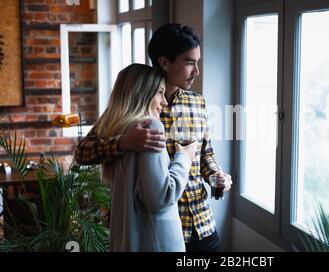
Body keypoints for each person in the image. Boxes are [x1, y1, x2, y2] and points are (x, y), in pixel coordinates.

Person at [75, 24, 232, 252]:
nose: (197, 71)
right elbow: (83, 152)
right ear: (165, 62)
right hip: (158, 234)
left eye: (197, 62)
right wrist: (123, 142)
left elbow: (204, 156)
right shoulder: (134, 105)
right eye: (189, 62)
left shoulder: (197, 102)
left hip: (203, 227)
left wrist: (217, 175)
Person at [95, 63, 198, 252]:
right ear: (142, 94)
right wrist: (184, 158)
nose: (164, 102)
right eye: (159, 92)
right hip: (156, 243)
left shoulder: (116, 129)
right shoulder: (150, 127)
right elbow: (160, 198)